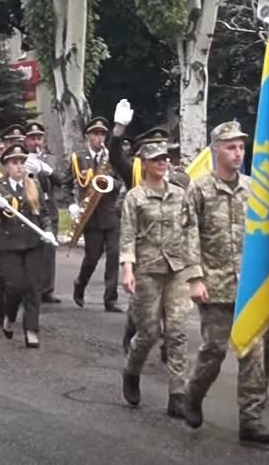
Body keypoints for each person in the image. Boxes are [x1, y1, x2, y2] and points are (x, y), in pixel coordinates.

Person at [179, 121, 269, 444]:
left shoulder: (252, 187)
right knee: (214, 352)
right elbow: (189, 232)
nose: (238, 153)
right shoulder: (200, 188)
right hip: (215, 284)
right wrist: (195, 276)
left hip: (249, 286)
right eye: (230, 147)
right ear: (215, 150)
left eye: (240, 147)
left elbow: (264, 233)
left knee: (253, 354)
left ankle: (251, 420)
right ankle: (192, 395)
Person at [119, 141, 191, 418]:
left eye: (165, 158)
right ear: (144, 164)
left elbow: (189, 230)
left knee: (178, 331)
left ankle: (177, 394)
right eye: (156, 159)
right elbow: (127, 235)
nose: (163, 163)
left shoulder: (179, 194)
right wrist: (127, 269)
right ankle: (131, 371)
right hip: (147, 270)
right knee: (148, 333)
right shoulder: (135, 197)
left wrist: (196, 268)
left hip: (177, 268)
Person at [0, 143, 57, 348]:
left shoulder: (33, 184)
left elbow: (44, 213)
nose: (19, 167)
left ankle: (31, 329)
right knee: (15, 286)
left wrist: (48, 230)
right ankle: (10, 317)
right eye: (14, 163)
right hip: (9, 245)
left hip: (33, 243)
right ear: (6, 166)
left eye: (21, 162)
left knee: (33, 287)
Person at [69, 116, 124, 312]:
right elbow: (67, 182)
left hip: (111, 214)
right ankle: (80, 283)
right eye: (95, 134)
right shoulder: (78, 158)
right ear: (87, 137)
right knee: (92, 257)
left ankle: (110, 299)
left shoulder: (113, 157)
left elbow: (122, 180)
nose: (99, 138)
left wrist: (112, 184)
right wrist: (71, 204)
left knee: (113, 255)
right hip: (90, 216)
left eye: (102, 134)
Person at [23, 122, 70, 304]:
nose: (36, 142)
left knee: (49, 250)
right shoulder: (22, 158)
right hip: (30, 209)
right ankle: (30, 289)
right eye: (32, 138)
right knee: (31, 250)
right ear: (26, 140)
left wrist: (46, 170)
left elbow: (62, 180)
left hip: (49, 207)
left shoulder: (51, 159)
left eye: (39, 138)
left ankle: (47, 289)